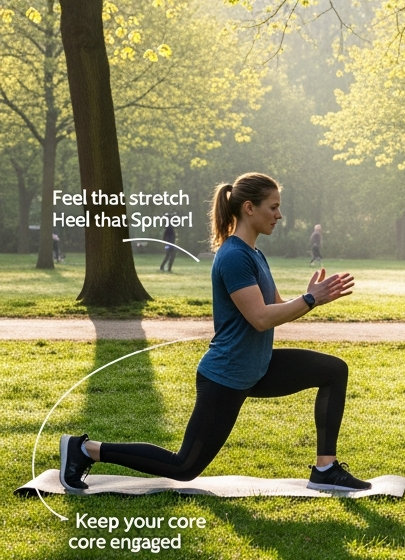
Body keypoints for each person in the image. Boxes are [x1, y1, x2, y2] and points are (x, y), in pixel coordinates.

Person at [59, 172, 371, 493]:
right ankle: (85, 449)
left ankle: (326, 469)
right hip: (227, 374)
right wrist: (309, 300)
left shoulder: (254, 254)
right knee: (184, 466)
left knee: (333, 371)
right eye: (273, 207)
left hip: (256, 368)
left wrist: (309, 299)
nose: (279, 215)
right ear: (249, 208)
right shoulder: (234, 256)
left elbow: (275, 306)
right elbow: (260, 319)